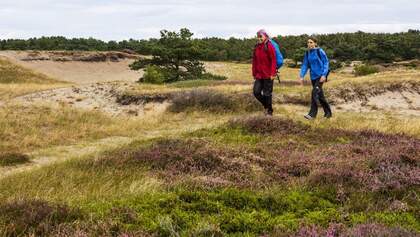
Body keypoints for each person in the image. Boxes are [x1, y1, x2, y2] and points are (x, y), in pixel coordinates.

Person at [299, 37, 332, 120]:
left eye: (311, 42)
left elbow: (326, 62)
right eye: (308, 42)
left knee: (314, 93)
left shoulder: (319, 51)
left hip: (320, 76)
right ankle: (328, 113)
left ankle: (312, 115)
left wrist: (324, 75)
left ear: (315, 43)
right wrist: (301, 76)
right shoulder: (307, 53)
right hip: (313, 77)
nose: (309, 44)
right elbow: (305, 65)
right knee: (320, 96)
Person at [252, 29, 277, 116]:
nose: (259, 38)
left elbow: (274, 60)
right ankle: (267, 106)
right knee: (256, 92)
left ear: (265, 36)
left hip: (268, 75)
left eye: (261, 36)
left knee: (267, 94)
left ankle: (269, 112)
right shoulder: (256, 47)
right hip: (259, 75)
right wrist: (254, 73)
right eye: (258, 37)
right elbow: (254, 61)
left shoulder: (269, 46)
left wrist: (273, 73)